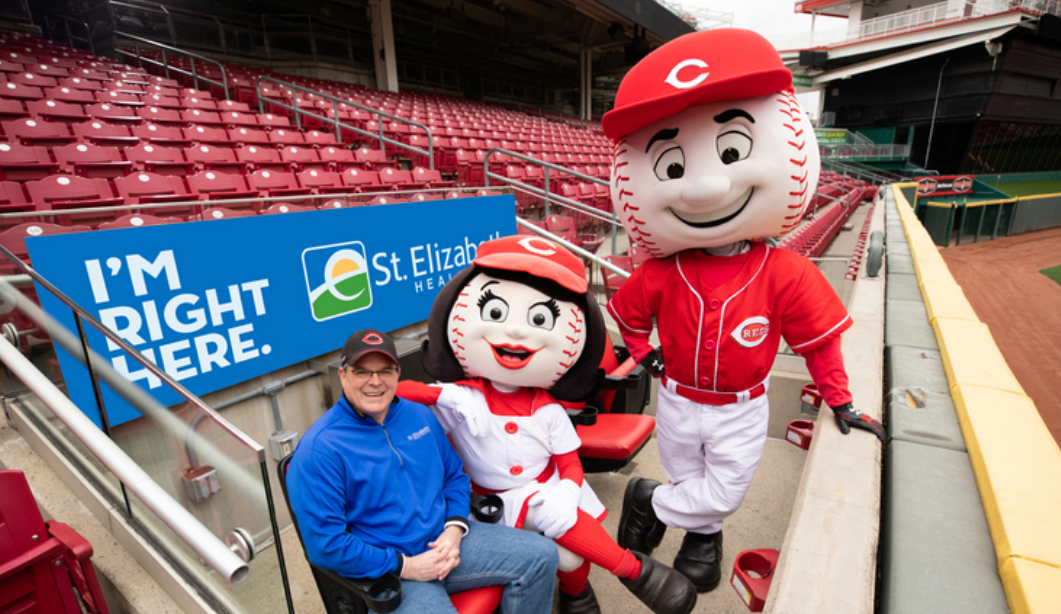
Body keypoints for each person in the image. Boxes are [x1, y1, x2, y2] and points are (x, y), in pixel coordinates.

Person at [601, 28, 887, 594]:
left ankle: (650, 502)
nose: (707, 185)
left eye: (730, 154)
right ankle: (702, 539)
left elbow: (819, 343)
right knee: (689, 474)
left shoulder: (784, 271)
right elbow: (629, 315)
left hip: (741, 405)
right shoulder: (662, 271)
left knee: (727, 486)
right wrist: (645, 354)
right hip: (678, 396)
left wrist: (841, 399)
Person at [398, 235, 697, 614]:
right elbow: (401, 390)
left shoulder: (550, 411)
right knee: (555, 543)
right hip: (480, 504)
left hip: (544, 489)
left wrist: (568, 492)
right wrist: (443, 394)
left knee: (570, 558)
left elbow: (571, 463)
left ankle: (577, 593)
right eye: (496, 313)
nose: (517, 332)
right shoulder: (461, 398)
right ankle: (634, 570)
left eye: (538, 319)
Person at [286, 328, 559, 614]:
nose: (375, 381)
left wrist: (454, 529)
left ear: (397, 374)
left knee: (542, 555)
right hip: (389, 568)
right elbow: (326, 545)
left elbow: (454, 477)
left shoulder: (419, 415)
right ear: (343, 375)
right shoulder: (320, 449)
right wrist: (407, 566)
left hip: (444, 541)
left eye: (385, 371)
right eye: (362, 372)